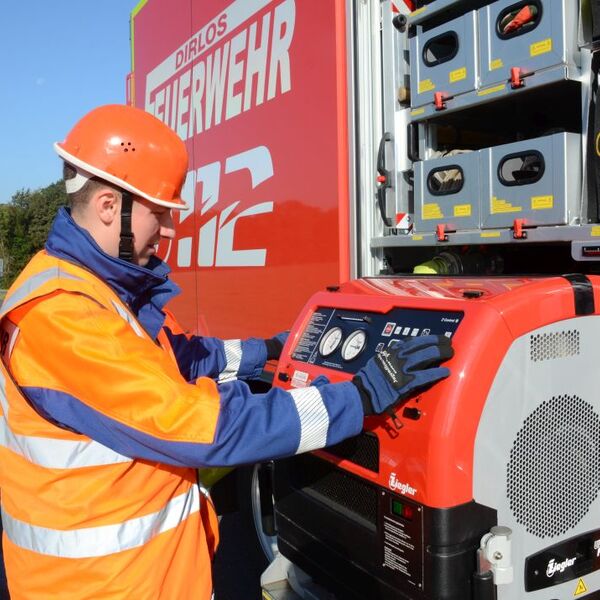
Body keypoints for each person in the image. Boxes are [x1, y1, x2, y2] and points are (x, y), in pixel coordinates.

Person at [0, 104, 453, 599]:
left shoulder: (95, 293)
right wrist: (360, 398)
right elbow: (208, 427)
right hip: (104, 587)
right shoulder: (63, 318)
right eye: (160, 213)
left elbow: (184, 357)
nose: (169, 231)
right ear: (111, 206)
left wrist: (274, 350)